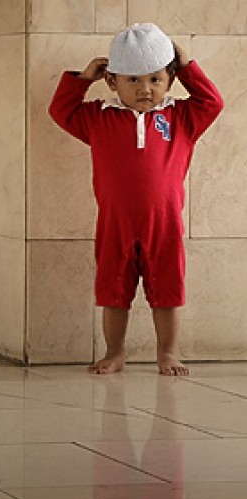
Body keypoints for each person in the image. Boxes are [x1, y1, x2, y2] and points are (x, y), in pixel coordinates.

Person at [48, 23, 224, 376]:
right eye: (133, 80)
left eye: (156, 79)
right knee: (113, 291)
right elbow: (61, 111)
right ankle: (114, 353)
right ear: (112, 81)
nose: (145, 89)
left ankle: (168, 353)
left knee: (168, 291)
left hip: (166, 223)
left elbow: (212, 101)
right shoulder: (99, 117)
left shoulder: (182, 118)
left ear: (170, 81)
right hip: (115, 223)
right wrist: (82, 79)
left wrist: (187, 65)